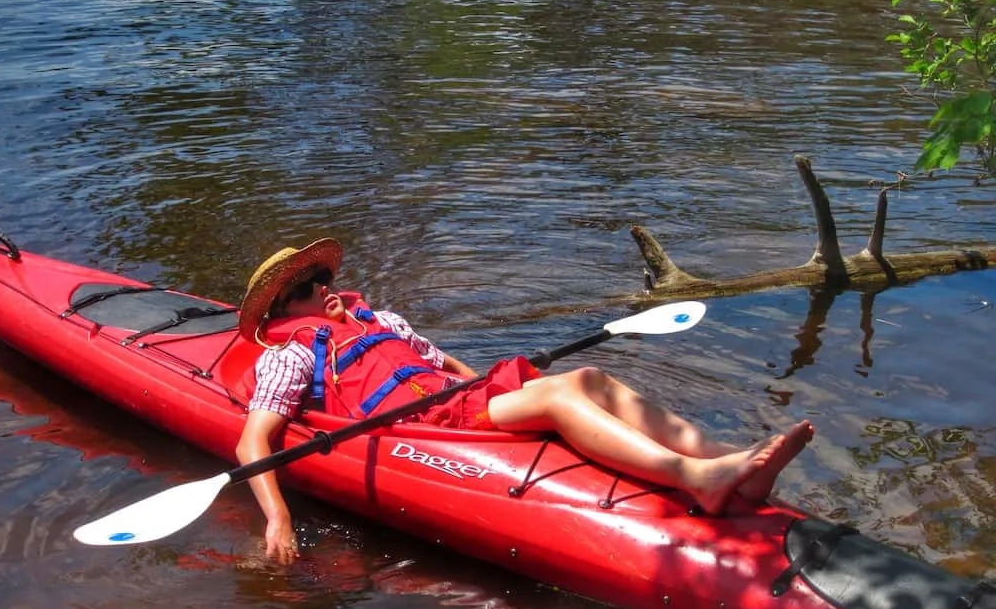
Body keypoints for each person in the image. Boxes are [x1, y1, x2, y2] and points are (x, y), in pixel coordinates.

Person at [235, 238, 814, 562]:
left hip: (454, 402)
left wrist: (497, 383)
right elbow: (252, 440)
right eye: (306, 289)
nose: (324, 288)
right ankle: (694, 476)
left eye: (321, 277)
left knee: (586, 375)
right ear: (285, 312)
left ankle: (730, 461)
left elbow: (444, 366)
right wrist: (279, 516)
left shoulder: (378, 319)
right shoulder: (292, 355)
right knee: (560, 400)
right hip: (423, 427)